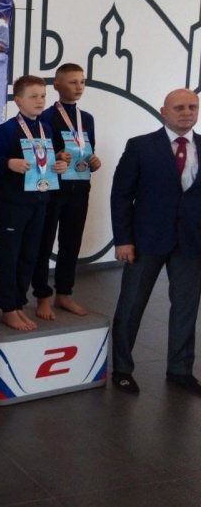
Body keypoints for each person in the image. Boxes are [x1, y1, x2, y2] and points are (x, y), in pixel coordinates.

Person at [110, 88, 201, 396]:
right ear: (164, 111)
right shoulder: (140, 146)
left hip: (191, 242)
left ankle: (180, 370)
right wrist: (123, 239)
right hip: (145, 240)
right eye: (179, 107)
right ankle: (122, 369)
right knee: (131, 305)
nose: (187, 112)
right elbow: (121, 196)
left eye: (192, 107)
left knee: (186, 307)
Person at [0, 75, 67, 331]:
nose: (40, 101)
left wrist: (58, 165)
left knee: (30, 254)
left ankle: (19, 302)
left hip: (39, 200)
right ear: (18, 101)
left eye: (43, 96)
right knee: (10, 255)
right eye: (33, 96)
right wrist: (9, 163)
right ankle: (8, 307)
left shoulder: (46, 129)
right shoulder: (7, 130)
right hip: (13, 203)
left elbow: (44, 163)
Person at [32, 64, 102, 320]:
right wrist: (56, 156)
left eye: (82, 82)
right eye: (73, 82)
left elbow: (88, 151)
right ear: (57, 85)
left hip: (79, 186)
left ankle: (64, 293)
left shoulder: (87, 118)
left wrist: (94, 162)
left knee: (71, 242)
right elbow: (38, 155)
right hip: (53, 188)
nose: (79, 87)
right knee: (44, 242)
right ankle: (42, 296)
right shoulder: (46, 117)